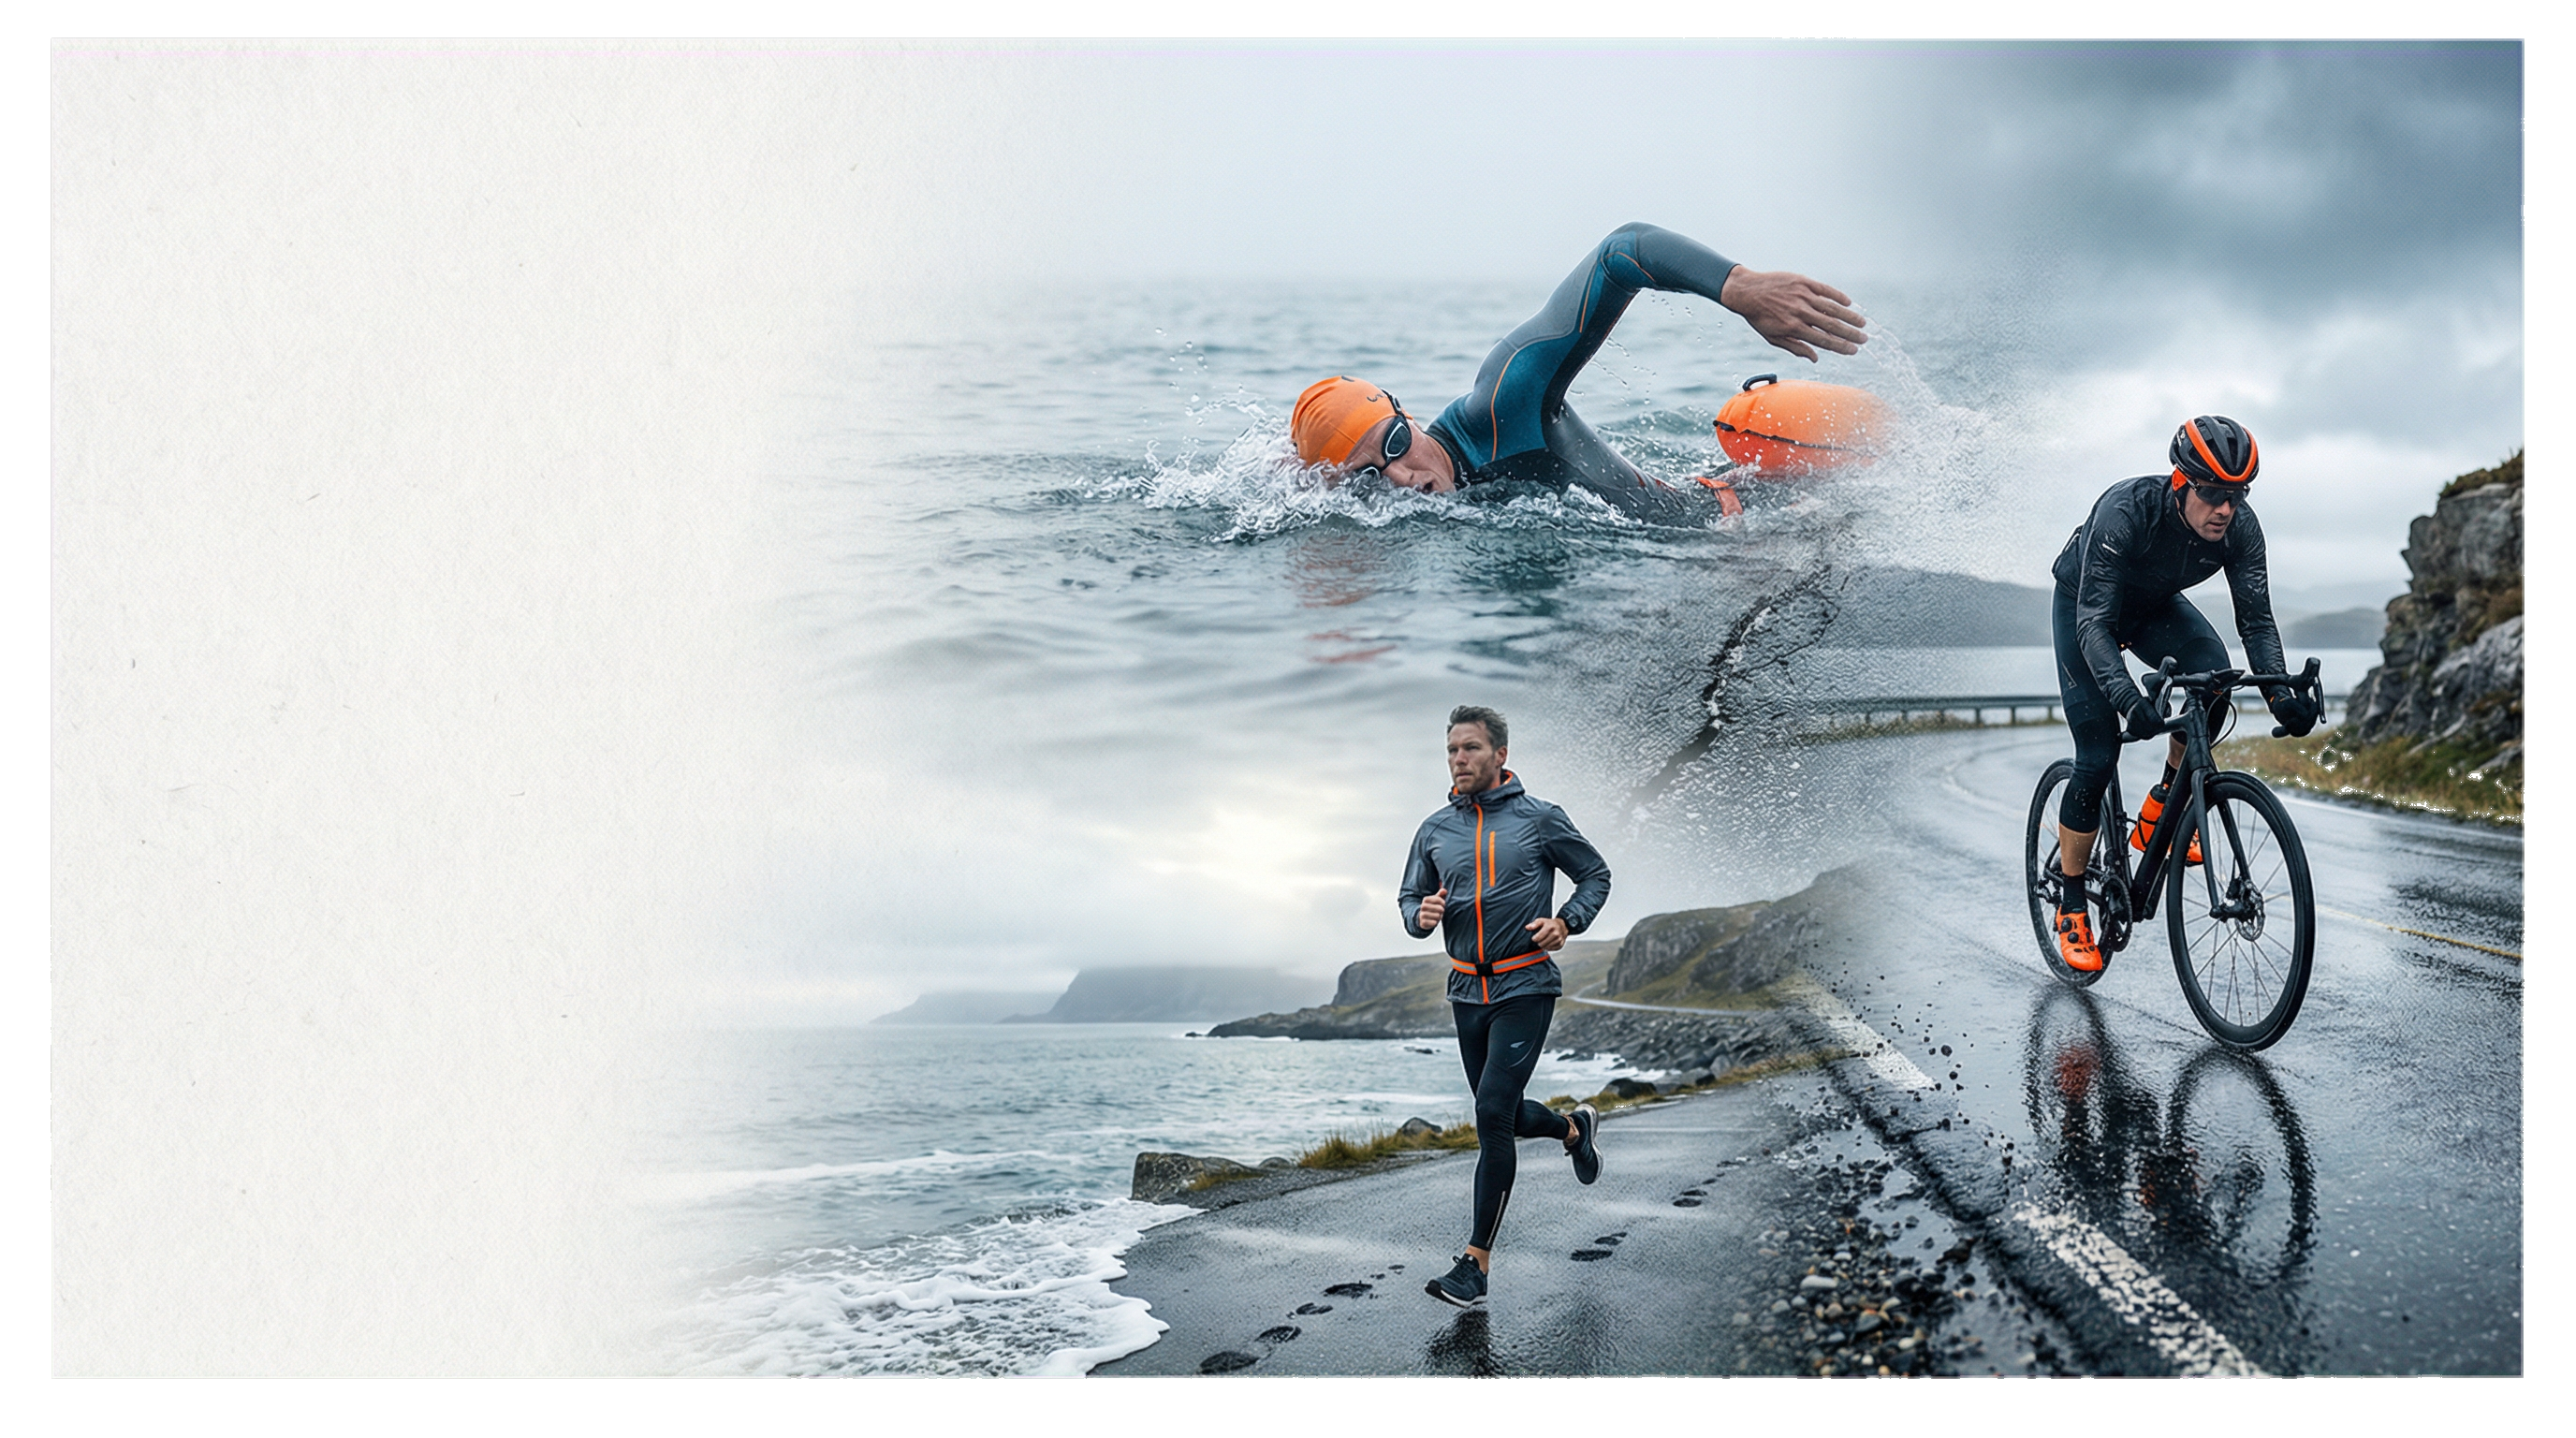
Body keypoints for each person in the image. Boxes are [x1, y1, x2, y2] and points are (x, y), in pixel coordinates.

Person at [1291, 222, 1868, 524]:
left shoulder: (1503, 401)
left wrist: (1740, 286)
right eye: (1369, 477)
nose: (1400, 478)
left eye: (1393, 443)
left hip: (1751, 520)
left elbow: (1622, 250)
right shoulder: (1411, 514)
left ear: (1402, 412)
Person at [2048, 416, 2325, 973]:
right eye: (2214, 494)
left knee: (2216, 676)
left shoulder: (2241, 530)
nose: (2226, 508)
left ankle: (2162, 808)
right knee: (2099, 754)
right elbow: (2094, 625)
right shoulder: (2127, 511)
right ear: (2181, 484)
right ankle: (2073, 901)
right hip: (2087, 612)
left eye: (2239, 494)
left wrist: (2280, 696)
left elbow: (2257, 625)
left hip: (2152, 612)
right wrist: (2129, 700)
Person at [1397, 705, 1614, 1308]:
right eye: (1451, 751)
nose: (1458, 759)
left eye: (1469, 748)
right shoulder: (1434, 829)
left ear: (1500, 755)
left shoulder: (1540, 819)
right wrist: (1420, 917)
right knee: (1503, 1114)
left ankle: (1475, 1264)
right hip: (1467, 989)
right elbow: (1409, 897)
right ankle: (1573, 1127)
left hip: (1525, 984)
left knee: (1492, 1112)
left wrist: (1566, 923)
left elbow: (1595, 875)